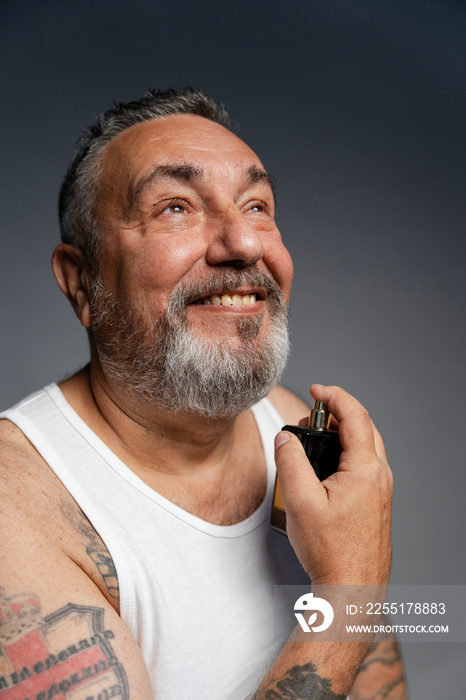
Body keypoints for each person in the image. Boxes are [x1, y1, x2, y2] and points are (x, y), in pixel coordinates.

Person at [0, 88, 406, 699]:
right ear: (81, 282)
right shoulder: (17, 516)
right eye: (175, 208)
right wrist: (348, 594)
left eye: (256, 205)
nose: (243, 244)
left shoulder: (295, 427)